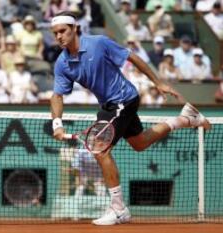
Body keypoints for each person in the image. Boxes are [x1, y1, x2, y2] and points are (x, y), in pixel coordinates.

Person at [50, 11, 211, 226]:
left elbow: (133, 57)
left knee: (99, 147)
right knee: (139, 143)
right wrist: (57, 123)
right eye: (55, 33)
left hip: (123, 98)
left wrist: (158, 82)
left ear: (75, 28)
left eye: (63, 31)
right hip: (109, 104)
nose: (59, 36)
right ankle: (185, 119)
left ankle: (118, 209)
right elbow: (57, 96)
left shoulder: (99, 43)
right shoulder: (62, 63)